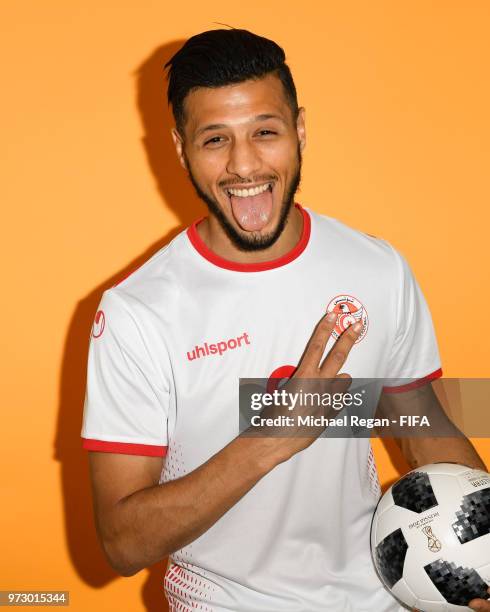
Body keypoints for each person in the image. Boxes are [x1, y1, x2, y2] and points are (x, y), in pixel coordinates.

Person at [81, 29, 489, 612]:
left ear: (300, 128)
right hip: (222, 601)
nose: (244, 165)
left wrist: (481, 549)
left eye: (265, 133)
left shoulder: (377, 268)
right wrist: (273, 437)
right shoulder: (138, 313)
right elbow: (122, 545)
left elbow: (423, 427)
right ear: (179, 147)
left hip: (381, 594)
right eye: (215, 139)